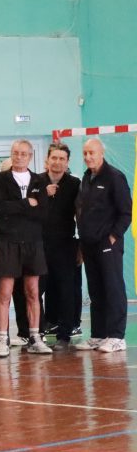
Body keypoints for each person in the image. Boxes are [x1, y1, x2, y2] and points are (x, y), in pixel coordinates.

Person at [0, 139, 51, 356]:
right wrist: (27, 204)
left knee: (33, 292)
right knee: (5, 292)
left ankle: (35, 337)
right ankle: (3, 340)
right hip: (8, 242)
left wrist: (20, 209)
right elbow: (1, 208)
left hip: (33, 243)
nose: (19, 156)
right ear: (11, 154)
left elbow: (43, 212)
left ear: (30, 156)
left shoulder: (39, 181)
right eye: (15, 153)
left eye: (23, 153)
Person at [75, 138, 133, 352]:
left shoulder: (115, 177)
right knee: (96, 290)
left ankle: (117, 336)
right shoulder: (86, 178)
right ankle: (99, 335)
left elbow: (126, 212)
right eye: (85, 153)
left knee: (113, 288)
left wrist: (113, 236)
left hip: (107, 244)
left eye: (92, 152)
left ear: (101, 153)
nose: (88, 157)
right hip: (89, 244)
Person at [29, 143, 82, 350]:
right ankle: (37, 333)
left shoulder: (75, 183)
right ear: (47, 160)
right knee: (36, 290)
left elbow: (81, 215)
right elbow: (28, 209)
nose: (57, 162)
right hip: (38, 244)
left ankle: (65, 335)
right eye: (54, 158)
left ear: (67, 162)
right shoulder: (36, 181)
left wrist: (82, 246)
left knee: (66, 289)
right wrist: (44, 194)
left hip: (65, 244)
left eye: (62, 159)